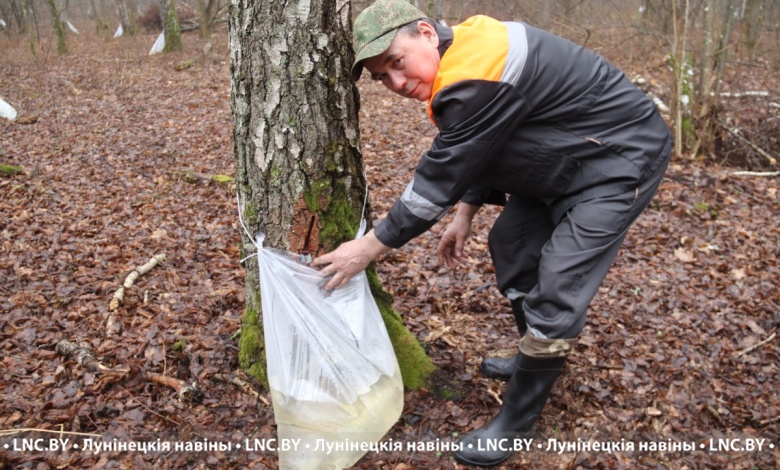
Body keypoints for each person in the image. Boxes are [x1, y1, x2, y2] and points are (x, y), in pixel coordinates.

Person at [311, 0, 671, 466]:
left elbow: (437, 179)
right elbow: (489, 139)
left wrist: (368, 247)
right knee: (512, 245)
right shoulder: (466, 55)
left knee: (558, 286)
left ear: (426, 33)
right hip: (568, 154)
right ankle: (534, 355)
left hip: (619, 160)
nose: (396, 83)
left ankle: (517, 422)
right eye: (382, 77)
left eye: (397, 62)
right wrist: (466, 212)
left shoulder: (475, 72)